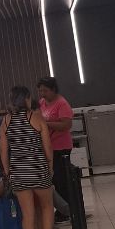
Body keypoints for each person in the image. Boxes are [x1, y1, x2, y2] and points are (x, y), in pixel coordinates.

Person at [0, 86, 55, 229]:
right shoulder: (36, 118)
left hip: (19, 174)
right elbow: (48, 148)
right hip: (38, 170)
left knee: (27, 215)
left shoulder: (6, 121)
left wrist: (8, 172)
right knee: (47, 207)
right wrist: (50, 167)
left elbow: (3, 152)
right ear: (27, 99)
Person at [38, 77, 74, 216]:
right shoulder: (42, 103)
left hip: (61, 147)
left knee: (61, 179)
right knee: (53, 179)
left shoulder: (62, 104)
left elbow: (66, 125)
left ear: (53, 89)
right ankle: (61, 209)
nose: (42, 94)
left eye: (45, 91)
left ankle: (67, 210)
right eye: (40, 91)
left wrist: (46, 124)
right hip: (49, 147)